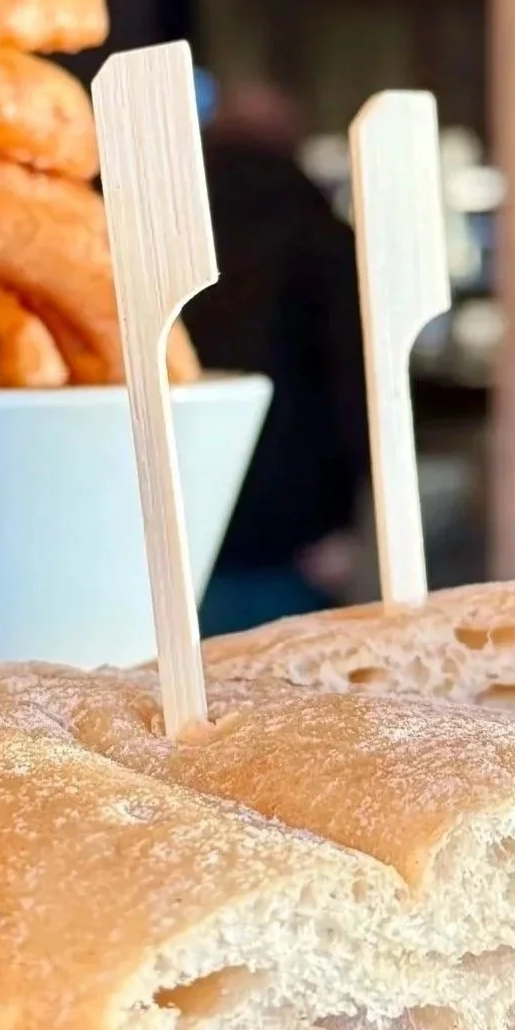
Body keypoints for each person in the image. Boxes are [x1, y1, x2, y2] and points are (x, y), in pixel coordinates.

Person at [186, 77, 369, 636]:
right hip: (289, 522)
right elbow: (353, 381)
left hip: (174, 510)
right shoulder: (321, 235)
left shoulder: (162, 232)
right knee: (284, 695)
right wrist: (344, 518)